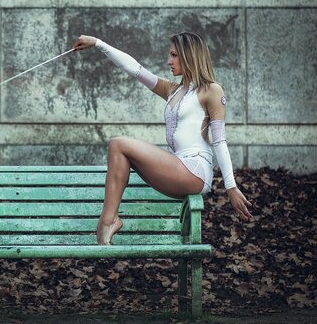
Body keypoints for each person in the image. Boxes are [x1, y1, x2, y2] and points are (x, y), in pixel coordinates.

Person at [72, 32, 253, 245]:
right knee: (119, 151)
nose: (169, 61)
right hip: (180, 165)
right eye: (170, 55)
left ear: (189, 55)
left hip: (195, 169)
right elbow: (135, 69)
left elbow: (219, 141)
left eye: (175, 55)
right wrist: (99, 43)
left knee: (119, 144)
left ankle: (106, 223)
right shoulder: (173, 90)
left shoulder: (211, 90)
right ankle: (109, 223)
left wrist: (230, 186)